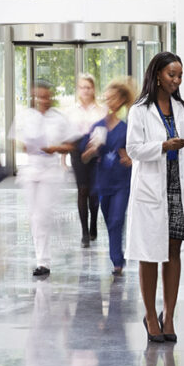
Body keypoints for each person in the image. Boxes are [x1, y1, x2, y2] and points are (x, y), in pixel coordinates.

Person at [125, 52, 184, 343]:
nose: (177, 80)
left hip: (176, 189)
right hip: (151, 190)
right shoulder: (140, 110)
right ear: (157, 75)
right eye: (172, 75)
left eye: (180, 75)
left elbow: (183, 147)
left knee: (173, 251)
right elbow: (133, 149)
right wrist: (164, 146)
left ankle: (168, 316)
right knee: (149, 254)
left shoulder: (181, 109)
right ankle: (149, 315)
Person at [13, 80, 78, 276]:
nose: (43, 100)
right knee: (34, 216)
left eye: (46, 96)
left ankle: (43, 262)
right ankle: (41, 257)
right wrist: (26, 145)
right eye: (39, 97)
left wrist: (55, 148)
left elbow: (71, 145)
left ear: (50, 96)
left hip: (50, 172)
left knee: (42, 215)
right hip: (31, 170)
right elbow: (18, 141)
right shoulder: (25, 116)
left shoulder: (58, 118)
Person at [81, 79, 136, 275]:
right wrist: (92, 150)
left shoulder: (127, 128)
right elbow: (84, 157)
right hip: (103, 182)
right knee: (110, 220)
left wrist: (130, 159)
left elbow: (136, 154)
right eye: (107, 98)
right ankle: (117, 256)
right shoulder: (98, 127)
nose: (109, 101)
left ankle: (117, 261)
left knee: (116, 220)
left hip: (122, 182)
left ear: (121, 101)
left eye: (113, 98)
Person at [68, 75, 107, 248]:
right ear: (78, 89)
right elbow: (67, 136)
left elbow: (104, 132)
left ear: (93, 89)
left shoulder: (101, 110)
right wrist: (63, 159)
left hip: (96, 151)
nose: (85, 90)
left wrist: (95, 148)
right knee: (82, 190)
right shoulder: (72, 111)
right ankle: (84, 232)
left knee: (93, 192)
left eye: (88, 87)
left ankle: (93, 225)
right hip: (77, 152)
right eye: (82, 87)